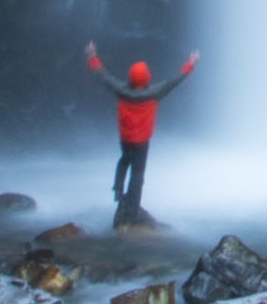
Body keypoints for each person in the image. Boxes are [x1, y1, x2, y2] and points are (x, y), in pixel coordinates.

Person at [81, 42, 196, 228]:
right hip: (142, 141)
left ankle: (118, 189)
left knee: (124, 160)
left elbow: (103, 76)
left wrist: (92, 56)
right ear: (147, 78)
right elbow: (175, 81)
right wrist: (191, 63)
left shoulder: (122, 91)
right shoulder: (154, 92)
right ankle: (132, 210)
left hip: (125, 138)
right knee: (138, 174)